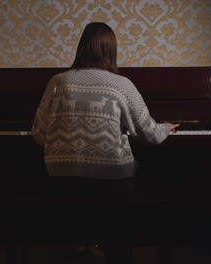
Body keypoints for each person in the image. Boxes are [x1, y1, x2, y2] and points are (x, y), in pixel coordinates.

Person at [32, 22, 179, 262]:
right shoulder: (122, 85)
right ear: (111, 50)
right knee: (125, 183)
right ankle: (111, 244)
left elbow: (38, 133)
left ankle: (84, 239)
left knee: (79, 195)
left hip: (62, 178)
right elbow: (150, 134)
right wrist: (166, 128)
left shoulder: (57, 82)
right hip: (110, 179)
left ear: (81, 48)